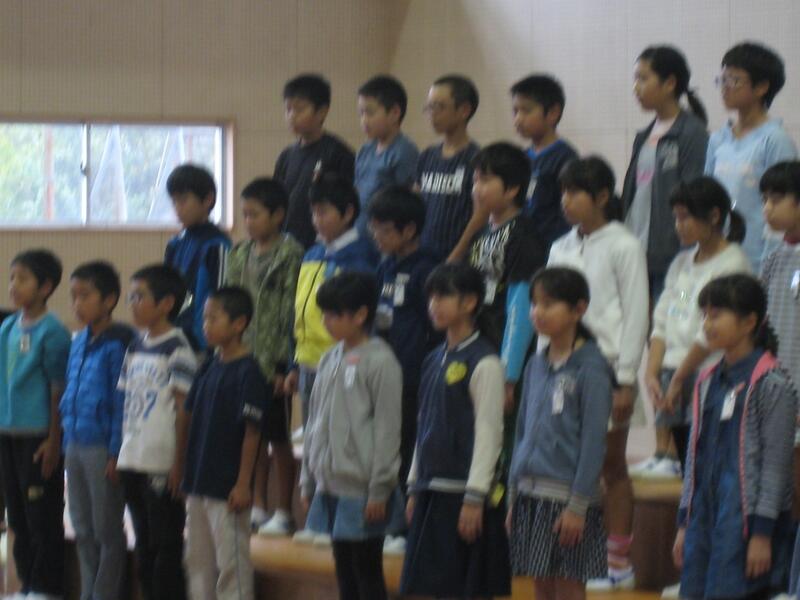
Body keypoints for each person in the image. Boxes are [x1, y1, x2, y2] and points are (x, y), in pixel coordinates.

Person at [548, 156, 649, 591]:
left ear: (602, 196)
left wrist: (625, 379)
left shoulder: (624, 245)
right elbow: (547, 307)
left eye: (575, 192)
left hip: (607, 369)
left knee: (611, 465)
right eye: (563, 192)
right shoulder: (560, 247)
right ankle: (577, 555)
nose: (565, 201)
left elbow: (637, 314)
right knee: (569, 466)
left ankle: (618, 560)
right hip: (562, 368)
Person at [674, 274, 797, 600]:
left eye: (716, 315)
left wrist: (762, 534)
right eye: (704, 316)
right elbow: (693, 457)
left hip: (745, 525)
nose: (707, 325)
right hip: (704, 518)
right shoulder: (706, 380)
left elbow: (775, 468)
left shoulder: (773, 384)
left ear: (749, 322)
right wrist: (684, 523)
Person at [400, 263, 511, 599]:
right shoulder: (433, 359)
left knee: (466, 591)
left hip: (464, 495)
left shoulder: (485, 362)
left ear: (470, 302)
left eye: (444, 296)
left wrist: (475, 498)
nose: (434, 304)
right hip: (431, 489)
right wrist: (414, 486)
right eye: (431, 297)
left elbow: (489, 434)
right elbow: (424, 424)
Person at [508, 267, 613, 600]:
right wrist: (513, 495)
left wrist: (578, 506)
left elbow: (594, 442)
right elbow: (521, 432)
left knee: (568, 587)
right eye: (534, 304)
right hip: (530, 496)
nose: (537, 312)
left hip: (568, 499)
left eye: (549, 303)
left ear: (578, 309)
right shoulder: (535, 364)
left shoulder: (591, 368)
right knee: (540, 585)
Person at [638, 177, 751, 481]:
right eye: (676, 217)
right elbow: (664, 318)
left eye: (685, 217)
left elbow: (712, 333)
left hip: (707, 373)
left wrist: (679, 376)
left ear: (714, 216)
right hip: (674, 372)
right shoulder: (682, 263)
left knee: (709, 466)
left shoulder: (733, 263)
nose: (678, 226)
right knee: (689, 470)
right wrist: (652, 372)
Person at [299, 272, 402, 600]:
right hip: (330, 484)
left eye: (334, 315)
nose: (326, 322)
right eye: (324, 314)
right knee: (344, 571)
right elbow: (314, 420)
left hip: (363, 488)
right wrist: (308, 479)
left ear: (360, 315)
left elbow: (387, 429)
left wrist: (379, 490)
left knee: (366, 571)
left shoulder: (381, 361)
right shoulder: (329, 358)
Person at [284, 172, 378, 488]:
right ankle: (311, 493)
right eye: (313, 213)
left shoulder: (361, 257)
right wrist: (294, 363)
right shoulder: (312, 254)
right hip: (308, 360)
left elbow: (361, 316)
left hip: (340, 361)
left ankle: (334, 495)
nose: (317, 220)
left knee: (338, 435)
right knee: (312, 433)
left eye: (324, 212)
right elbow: (300, 310)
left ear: (348, 212)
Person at [224, 178, 304, 536]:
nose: (248, 221)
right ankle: (257, 503)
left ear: (278, 215)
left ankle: (284, 510)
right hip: (242, 360)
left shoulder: (290, 255)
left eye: (255, 214)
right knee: (249, 434)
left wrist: (285, 365)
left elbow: (292, 312)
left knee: (277, 437)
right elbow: (228, 302)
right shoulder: (239, 254)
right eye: (244, 214)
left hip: (272, 363)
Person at [116, 264, 198, 600]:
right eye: (131, 297)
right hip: (132, 459)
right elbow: (126, 402)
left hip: (162, 463)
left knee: (166, 545)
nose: (133, 304)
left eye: (140, 297)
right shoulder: (136, 345)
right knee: (144, 544)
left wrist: (179, 463)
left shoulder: (178, 348)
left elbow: (184, 411)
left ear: (166, 304)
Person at [183, 287, 269, 600]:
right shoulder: (207, 366)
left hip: (227, 487)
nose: (205, 325)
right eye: (204, 318)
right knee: (198, 561)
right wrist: (181, 469)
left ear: (239, 323)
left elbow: (253, 432)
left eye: (213, 318)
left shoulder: (250, 373)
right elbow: (188, 416)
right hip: (198, 481)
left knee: (232, 562)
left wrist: (244, 484)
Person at [369, 185, 440, 554]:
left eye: (385, 230)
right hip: (386, 374)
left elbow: (434, 328)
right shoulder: (384, 266)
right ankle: (389, 522)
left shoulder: (427, 269)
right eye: (374, 230)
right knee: (388, 447)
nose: (377, 238)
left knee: (411, 449)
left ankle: (407, 528)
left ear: (409, 230)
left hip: (414, 378)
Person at [61, 261, 134, 600]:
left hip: (102, 447)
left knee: (107, 529)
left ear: (109, 300)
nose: (77, 304)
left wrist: (116, 452)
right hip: (74, 443)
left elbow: (121, 403)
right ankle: (88, 590)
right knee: (81, 526)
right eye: (73, 296)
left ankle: (105, 594)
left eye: (85, 296)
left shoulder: (119, 343)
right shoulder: (77, 341)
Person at [0, 249, 71, 599]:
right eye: (12, 277)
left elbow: (58, 389)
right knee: (17, 518)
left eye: (23, 279)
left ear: (45, 287)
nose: (14, 285)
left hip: (38, 437)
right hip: (8, 435)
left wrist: (54, 439)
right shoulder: (8, 327)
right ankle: (27, 585)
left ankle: (47, 588)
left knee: (41, 516)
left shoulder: (53, 331)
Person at [622, 45, 709, 301]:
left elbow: (693, 196)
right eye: (635, 79)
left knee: (670, 318)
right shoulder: (644, 135)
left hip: (671, 252)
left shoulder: (692, 132)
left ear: (670, 83)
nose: (635, 87)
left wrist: (686, 248)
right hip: (637, 249)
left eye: (643, 78)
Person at [705, 42, 798, 271]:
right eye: (722, 79)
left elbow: (784, 209)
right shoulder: (718, 140)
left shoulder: (775, 140)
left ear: (762, 87)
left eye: (734, 80)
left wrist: (770, 266)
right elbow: (704, 199)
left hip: (757, 261)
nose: (725, 87)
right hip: (717, 257)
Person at [276, 73, 355, 249]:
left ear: (322, 112)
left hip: (322, 246)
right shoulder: (286, 156)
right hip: (287, 245)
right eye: (288, 109)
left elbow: (346, 205)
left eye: (299, 109)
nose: (291, 116)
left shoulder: (339, 154)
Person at [164, 163, 231, 352]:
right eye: (174, 202)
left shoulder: (217, 245)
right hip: (173, 339)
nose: (177, 208)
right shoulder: (174, 243)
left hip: (202, 345)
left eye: (183, 200)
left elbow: (221, 298)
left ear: (208, 199)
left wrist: (212, 345)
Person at [417, 74, 483, 261]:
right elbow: (415, 205)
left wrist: (454, 257)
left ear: (464, 110)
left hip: (457, 260)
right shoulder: (427, 156)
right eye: (429, 107)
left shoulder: (477, 159)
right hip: (424, 256)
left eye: (438, 107)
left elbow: (479, 216)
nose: (431, 114)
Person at [510, 74, 577, 249]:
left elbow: (568, 215)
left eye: (526, 111)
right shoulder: (520, 157)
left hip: (549, 249)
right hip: (520, 247)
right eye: (515, 111)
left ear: (553, 113)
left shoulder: (566, 158)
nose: (518, 119)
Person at [354, 74, 419, 241]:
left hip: (385, 240)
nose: (364, 120)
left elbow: (408, 204)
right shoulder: (365, 150)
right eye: (361, 113)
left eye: (369, 113)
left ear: (395, 113)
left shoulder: (404, 152)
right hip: (360, 234)